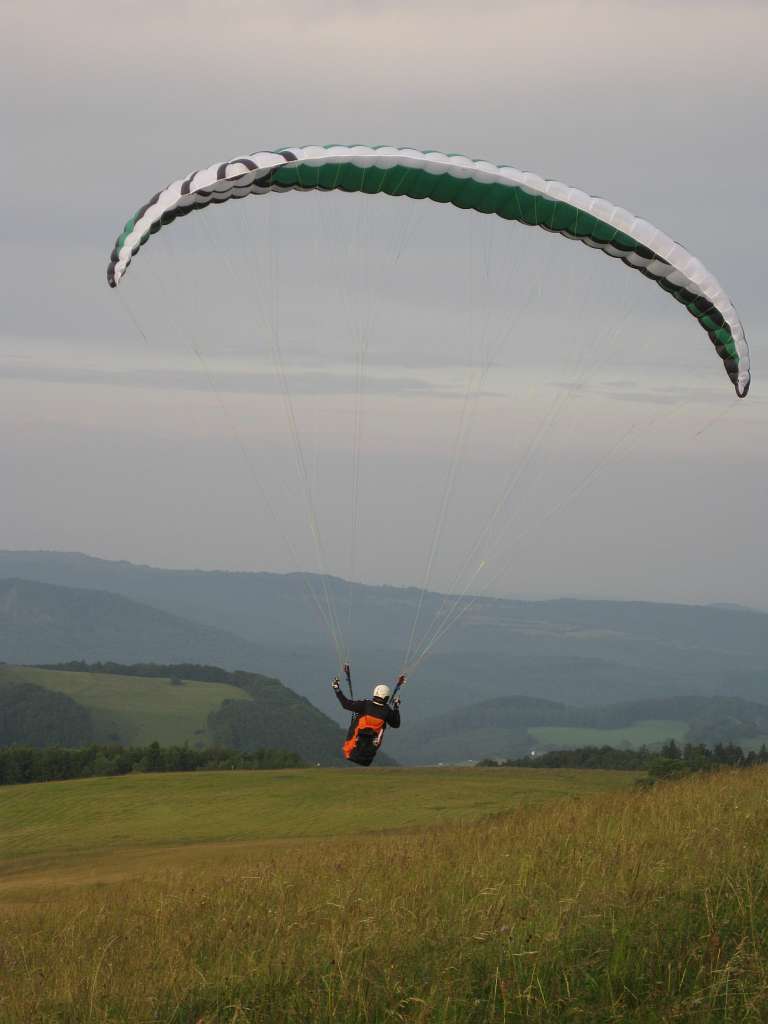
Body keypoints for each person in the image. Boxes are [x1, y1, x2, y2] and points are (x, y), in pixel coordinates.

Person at [332, 675, 404, 766]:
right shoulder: (387, 711)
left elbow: (345, 704)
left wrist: (337, 689)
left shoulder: (366, 705)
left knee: (358, 716)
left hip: (350, 751)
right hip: (367, 758)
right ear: (386, 697)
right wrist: (396, 708)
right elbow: (396, 724)